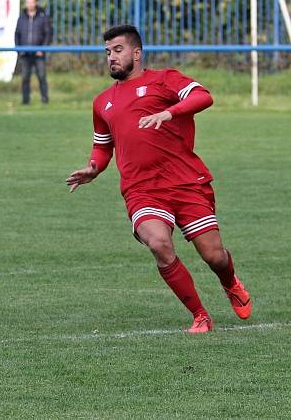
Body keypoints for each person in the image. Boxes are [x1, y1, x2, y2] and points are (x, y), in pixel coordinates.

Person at [66, 25, 252, 334]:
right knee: (158, 242)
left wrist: (170, 113)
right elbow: (102, 146)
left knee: (214, 256)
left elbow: (203, 97)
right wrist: (93, 168)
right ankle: (200, 315)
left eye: (118, 50)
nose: (111, 57)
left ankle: (230, 282)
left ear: (136, 53)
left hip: (186, 182)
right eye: (108, 52)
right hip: (142, 189)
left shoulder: (164, 79)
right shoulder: (102, 103)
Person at [14, 0, 52, 105]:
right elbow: (17, 34)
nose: (29, 4)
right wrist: (19, 49)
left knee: (41, 76)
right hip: (25, 53)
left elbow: (48, 34)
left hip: (39, 53)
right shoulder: (22, 17)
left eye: (32, 2)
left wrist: (43, 49)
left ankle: (45, 100)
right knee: (25, 78)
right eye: (27, 2)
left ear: (36, 2)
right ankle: (25, 101)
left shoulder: (43, 16)